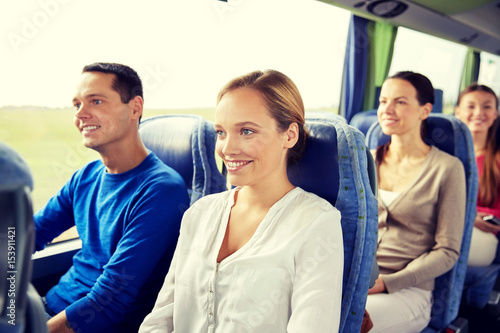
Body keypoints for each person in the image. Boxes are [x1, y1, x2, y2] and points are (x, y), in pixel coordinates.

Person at [139, 69, 344, 332]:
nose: (227, 148)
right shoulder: (199, 213)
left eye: (246, 131)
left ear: (289, 135)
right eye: (221, 132)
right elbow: (162, 318)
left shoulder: (316, 223)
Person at [33, 62, 190, 333]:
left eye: (96, 101)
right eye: (77, 105)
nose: (81, 114)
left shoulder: (161, 191)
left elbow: (108, 302)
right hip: (49, 305)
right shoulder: (85, 176)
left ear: (135, 108)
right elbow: (29, 234)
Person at [366, 71, 466, 332]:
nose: (387, 109)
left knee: (342, 323)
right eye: (383, 101)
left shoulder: (447, 169)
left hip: (408, 291)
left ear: (425, 110)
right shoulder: (365, 160)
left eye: (400, 102)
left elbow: (447, 251)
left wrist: (387, 282)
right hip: (355, 279)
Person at [455, 83, 500, 307]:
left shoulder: (497, 159)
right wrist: (467, 215)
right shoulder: (444, 156)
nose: (478, 113)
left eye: (486, 107)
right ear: (457, 112)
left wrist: (472, 216)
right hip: (451, 223)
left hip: (484, 233)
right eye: (470, 106)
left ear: (495, 114)